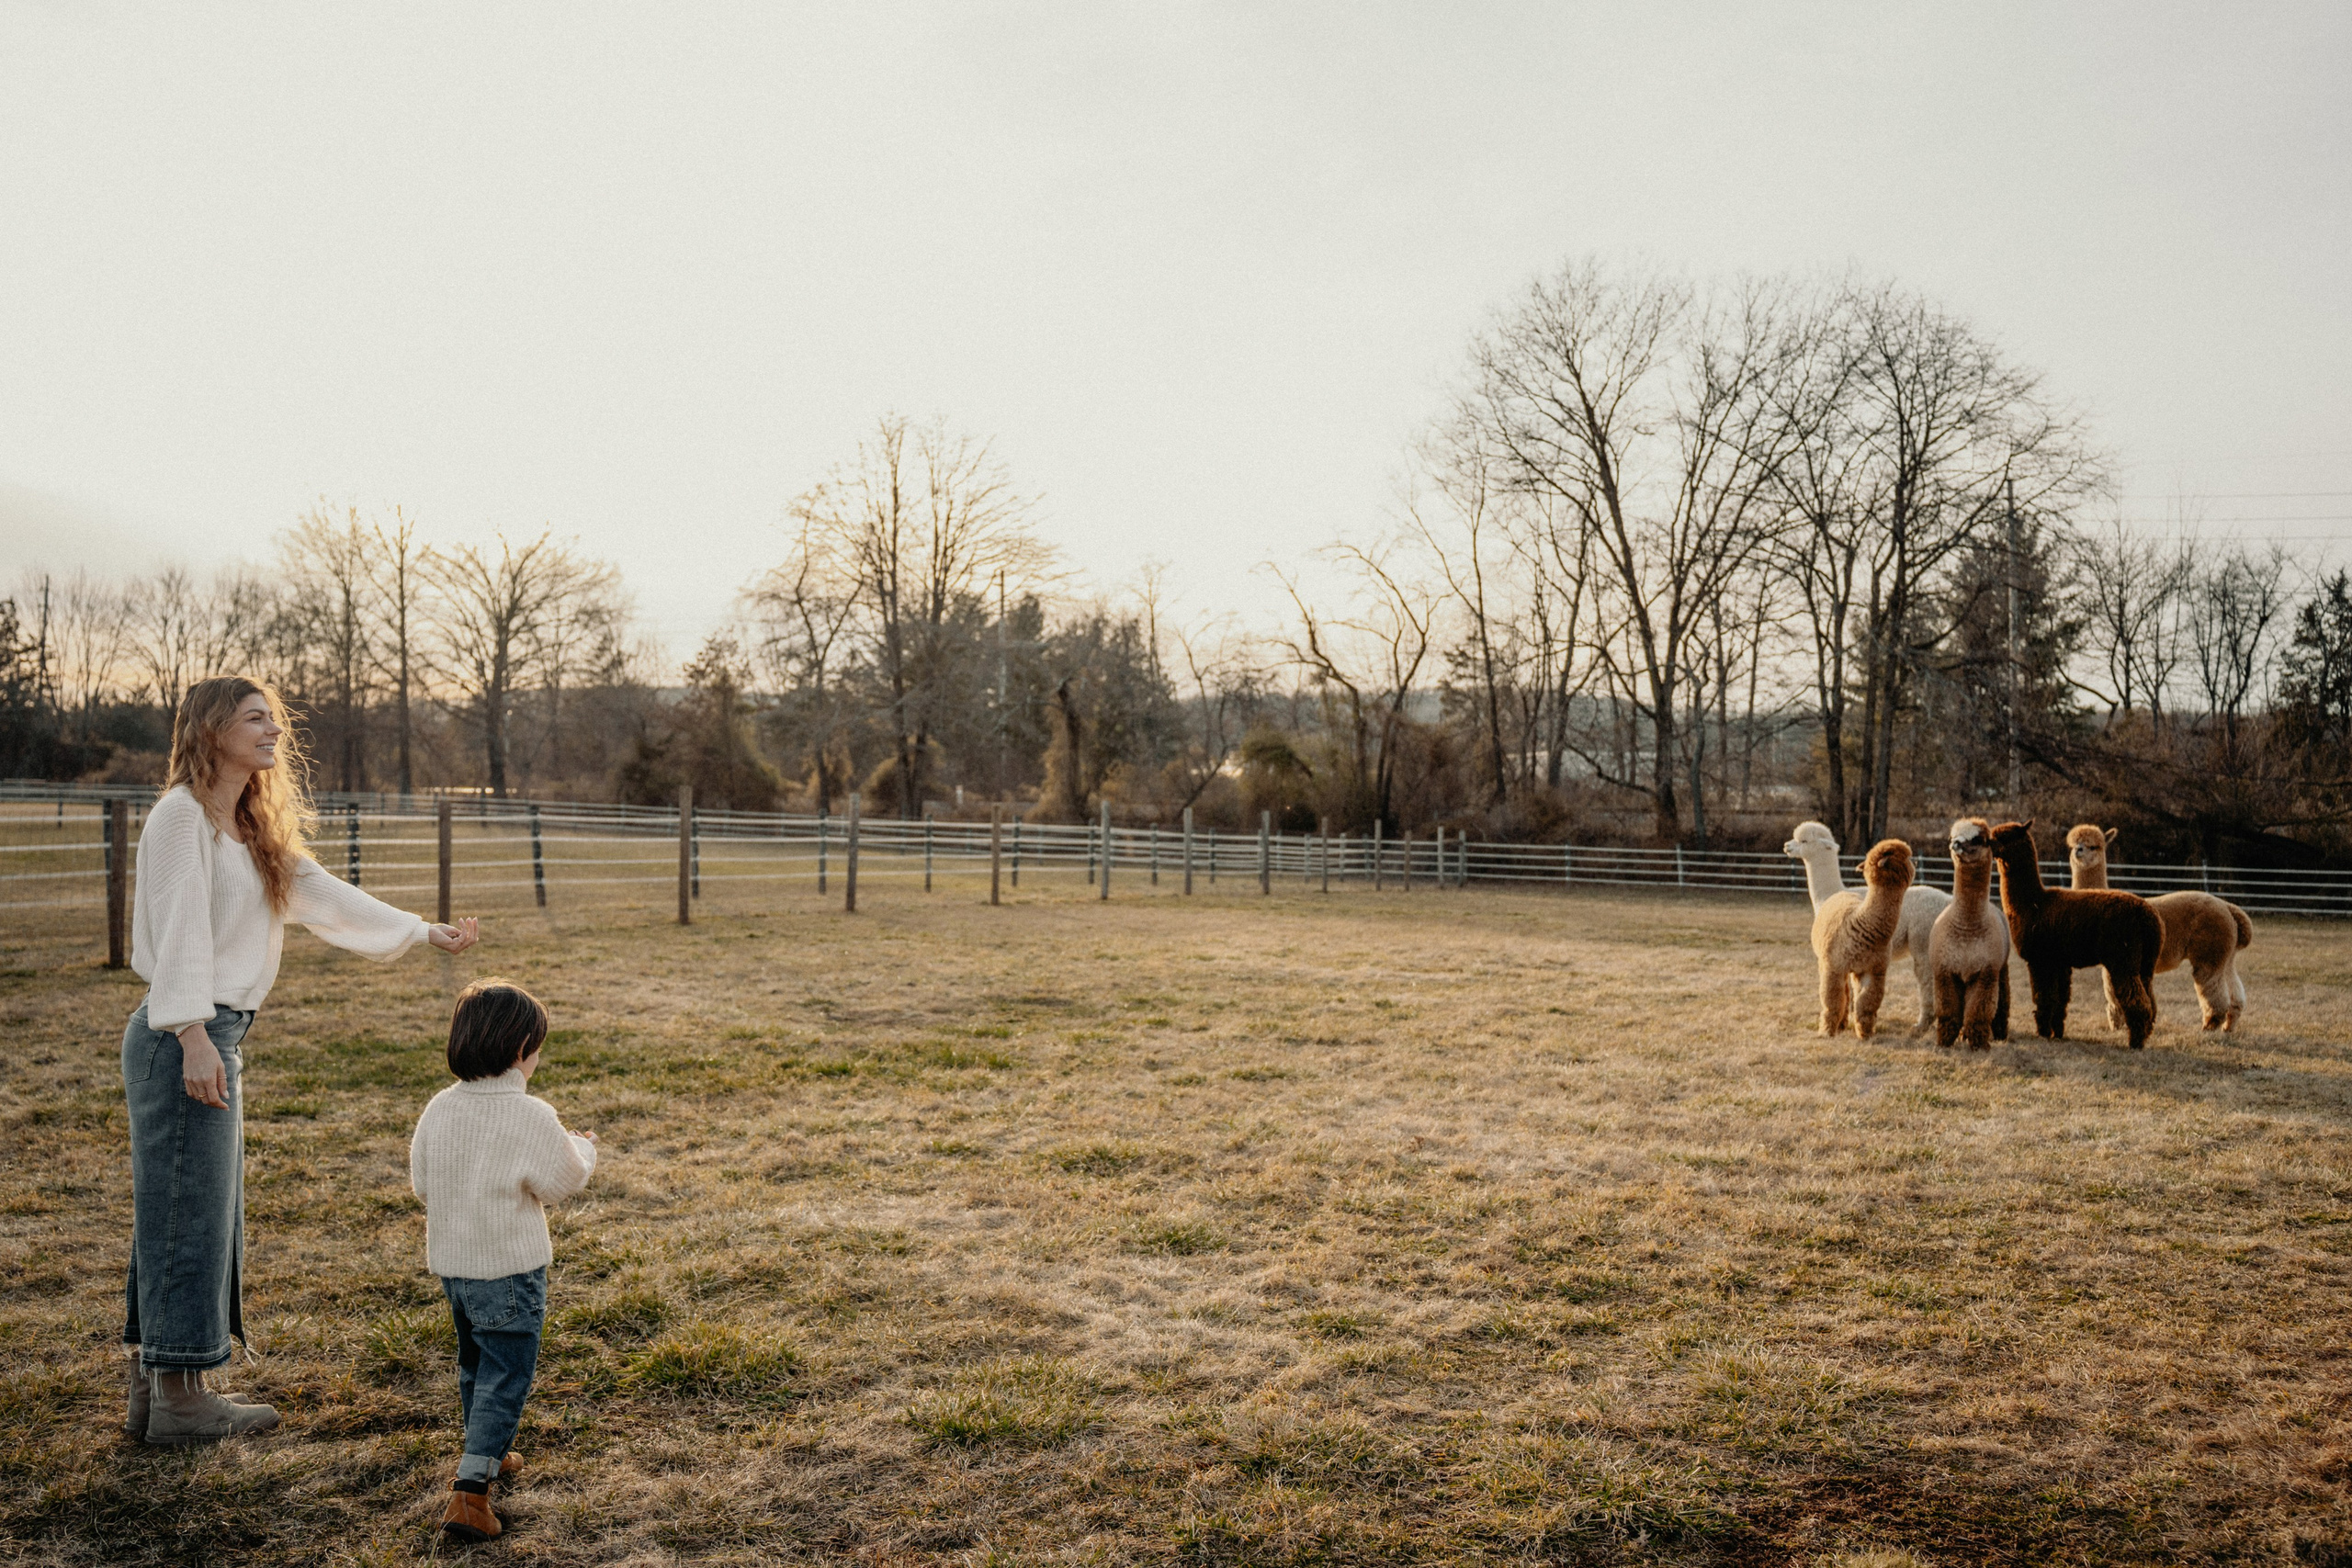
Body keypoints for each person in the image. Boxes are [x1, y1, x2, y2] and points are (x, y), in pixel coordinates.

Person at [122, 676, 481, 1444]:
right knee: (191, 1210)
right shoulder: (182, 816)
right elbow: (179, 927)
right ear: (213, 729)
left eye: (274, 721)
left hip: (211, 1031)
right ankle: (182, 1396)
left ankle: (157, 1389)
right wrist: (189, 1033)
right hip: (183, 1032)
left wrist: (423, 931)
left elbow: (321, 893)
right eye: (256, 719)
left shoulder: (244, 823)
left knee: (189, 1205)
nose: (273, 732)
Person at [409, 978, 598, 1543]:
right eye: (537, 1046)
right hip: (510, 1272)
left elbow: (423, 1183)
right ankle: (470, 1495)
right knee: (508, 1374)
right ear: (520, 1049)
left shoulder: (440, 1107)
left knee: (475, 1364)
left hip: (456, 1268)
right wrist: (583, 1146)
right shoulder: (530, 1114)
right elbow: (561, 1181)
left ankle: (483, 1450)